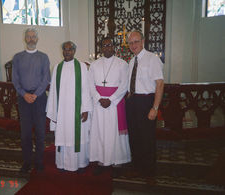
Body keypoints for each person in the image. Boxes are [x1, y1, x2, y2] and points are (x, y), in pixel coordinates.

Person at [46, 41, 92, 172]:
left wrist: (86, 109)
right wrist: (53, 112)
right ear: (62, 51)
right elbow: (53, 92)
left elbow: (86, 89)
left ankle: (80, 163)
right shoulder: (57, 68)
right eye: (65, 49)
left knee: (78, 135)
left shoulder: (82, 67)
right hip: (62, 112)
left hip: (77, 111)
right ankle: (62, 163)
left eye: (70, 49)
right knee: (63, 135)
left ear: (74, 51)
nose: (67, 52)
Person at [89, 36, 131, 175]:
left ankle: (117, 160)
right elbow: (90, 85)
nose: (107, 47)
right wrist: (99, 98)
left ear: (114, 47)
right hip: (99, 104)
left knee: (114, 132)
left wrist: (111, 99)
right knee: (100, 131)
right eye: (104, 45)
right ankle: (101, 160)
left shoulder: (122, 64)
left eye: (110, 45)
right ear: (101, 48)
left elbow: (124, 85)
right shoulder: (94, 65)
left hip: (115, 104)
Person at [126, 31, 164, 179]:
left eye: (136, 41)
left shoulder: (152, 59)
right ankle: (137, 168)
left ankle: (150, 173)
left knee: (147, 138)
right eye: (130, 43)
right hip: (132, 102)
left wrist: (155, 107)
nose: (133, 45)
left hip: (146, 102)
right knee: (134, 138)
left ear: (142, 41)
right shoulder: (131, 61)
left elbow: (160, 84)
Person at [12, 28, 51, 174]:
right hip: (23, 99)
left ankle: (39, 161)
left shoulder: (43, 57)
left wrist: (35, 94)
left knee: (41, 133)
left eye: (33, 36)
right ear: (24, 39)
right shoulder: (17, 57)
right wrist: (24, 94)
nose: (31, 39)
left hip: (39, 98)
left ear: (37, 39)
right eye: (28, 37)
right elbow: (15, 80)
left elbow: (46, 78)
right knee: (26, 134)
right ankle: (27, 162)